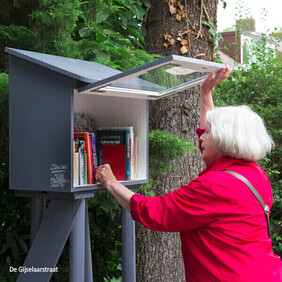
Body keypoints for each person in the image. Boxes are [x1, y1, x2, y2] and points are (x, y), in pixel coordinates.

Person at [95, 66, 282, 281]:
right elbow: (211, 150)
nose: (201, 137)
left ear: (223, 141)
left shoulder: (214, 186)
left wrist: (111, 183)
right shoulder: (256, 175)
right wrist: (205, 95)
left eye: (208, 133)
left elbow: (154, 212)